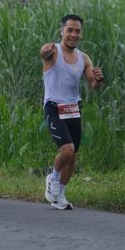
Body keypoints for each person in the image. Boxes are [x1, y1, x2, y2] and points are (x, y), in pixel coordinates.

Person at [40, 14, 104, 210]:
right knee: (67, 149)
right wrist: (44, 51)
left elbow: (93, 85)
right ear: (62, 31)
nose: (74, 34)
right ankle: (53, 178)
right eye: (70, 30)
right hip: (54, 108)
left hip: (73, 109)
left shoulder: (83, 58)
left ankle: (60, 195)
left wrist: (98, 79)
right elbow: (43, 53)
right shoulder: (53, 51)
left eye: (77, 31)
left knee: (73, 155)